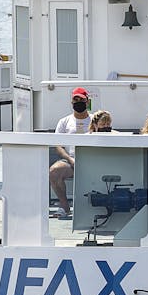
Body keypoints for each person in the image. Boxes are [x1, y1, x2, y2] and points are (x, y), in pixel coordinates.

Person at [48, 87, 91, 217]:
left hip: (94, 160)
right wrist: (70, 159)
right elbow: (58, 145)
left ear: (87, 101)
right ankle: (65, 206)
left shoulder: (95, 119)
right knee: (54, 171)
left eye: (81, 99)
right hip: (70, 160)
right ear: (71, 102)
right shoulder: (64, 121)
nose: (78, 102)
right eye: (75, 99)